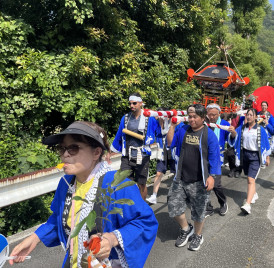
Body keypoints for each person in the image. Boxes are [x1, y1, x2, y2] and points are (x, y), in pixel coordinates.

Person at [9, 121, 158, 268]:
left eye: (73, 148)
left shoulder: (116, 184)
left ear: (96, 152)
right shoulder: (66, 183)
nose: (65, 155)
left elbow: (146, 223)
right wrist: (35, 238)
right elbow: (59, 220)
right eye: (62, 148)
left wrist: (112, 239)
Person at [166, 104, 220, 251]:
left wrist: (212, 177)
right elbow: (170, 143)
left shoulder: (209, 135)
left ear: (203, 118)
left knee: (199, 211)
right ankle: (185, 228)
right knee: (173, 205)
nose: (191, 119)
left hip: (199, 180)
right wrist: (172, 126)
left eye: (195, 117)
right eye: (189, 116)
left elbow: (215, 158)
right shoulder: (183, 129)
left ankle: (197, 235)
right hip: (181, 178)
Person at [110, 92, 158, 200]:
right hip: (127, 155)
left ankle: (142, 208)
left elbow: (158, 130)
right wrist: (111, 151)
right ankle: (130, 207)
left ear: (140, 103)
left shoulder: (148, 118)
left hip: (142, 155)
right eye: (130, 104)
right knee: (126, 183)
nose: (132, 106)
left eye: (134, 103)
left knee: (141, 183)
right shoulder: (126, 118)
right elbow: (119, 135)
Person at [228, 108, 271, 215]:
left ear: (256, 117)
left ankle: (247, 205)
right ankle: (254, 193)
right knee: (249, 178)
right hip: (245, 155)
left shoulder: (260, 129)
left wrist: (267, 157)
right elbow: (235, 137)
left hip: (255, 156)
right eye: (247, 114)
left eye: (251, 115)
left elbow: (266, 144)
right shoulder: (242, 128)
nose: (249, 116)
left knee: (251, 180)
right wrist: (233, 131)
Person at [204, 103, 230, 217]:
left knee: (217, 184)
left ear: (219, 114)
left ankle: (223, 203)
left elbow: (232, 138)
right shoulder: (204, 123)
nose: (212, 117)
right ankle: (208, 207)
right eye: (209, 114)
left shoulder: (224, 124)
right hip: (204, 157)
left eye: (214, 114)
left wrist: (233, 133)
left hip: (216, 158)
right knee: (204, 184)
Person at [146, 108, 175, 205]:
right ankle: (154, 195)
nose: (161, 118)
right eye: (159, 116)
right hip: (161, 151)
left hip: (172, 151)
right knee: (159, 173)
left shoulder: (172, 122)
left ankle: (176, 193)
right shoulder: (155, 123)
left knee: (176, 173)